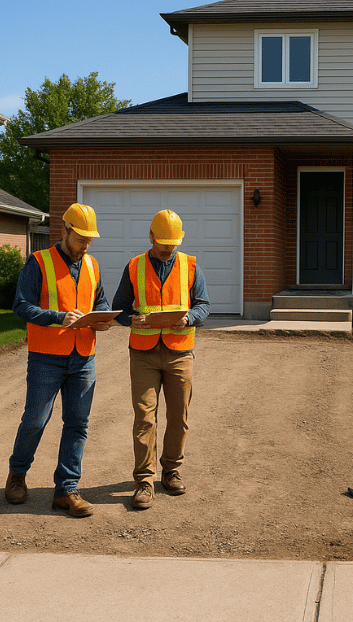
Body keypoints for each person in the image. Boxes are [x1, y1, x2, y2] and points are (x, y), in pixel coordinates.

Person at [5, 203, 113, 518]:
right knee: (35, 420)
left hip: (84, 358)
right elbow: (21, 306)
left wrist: (102, 317)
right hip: (46, 357)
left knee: (78, 424)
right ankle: (17, 474)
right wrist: (58, 317)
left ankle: (66, 490)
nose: (85, 245)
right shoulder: (38, 262)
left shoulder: (93, 265)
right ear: (64, 231)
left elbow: (101, 299)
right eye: (81, 238)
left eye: (89, 239)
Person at [112, 209, 210, 510]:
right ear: (151, 236)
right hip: (143, 353)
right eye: (163, 241)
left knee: (178, 416)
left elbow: (204, 306)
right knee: (144, 417)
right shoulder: (134, 266)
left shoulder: (191, 266)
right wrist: (133, 320)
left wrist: (190, 317)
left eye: (174, 242)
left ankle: (171, 471)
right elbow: (119, 308)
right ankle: (144, 480)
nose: (169, 248)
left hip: (180, 351)